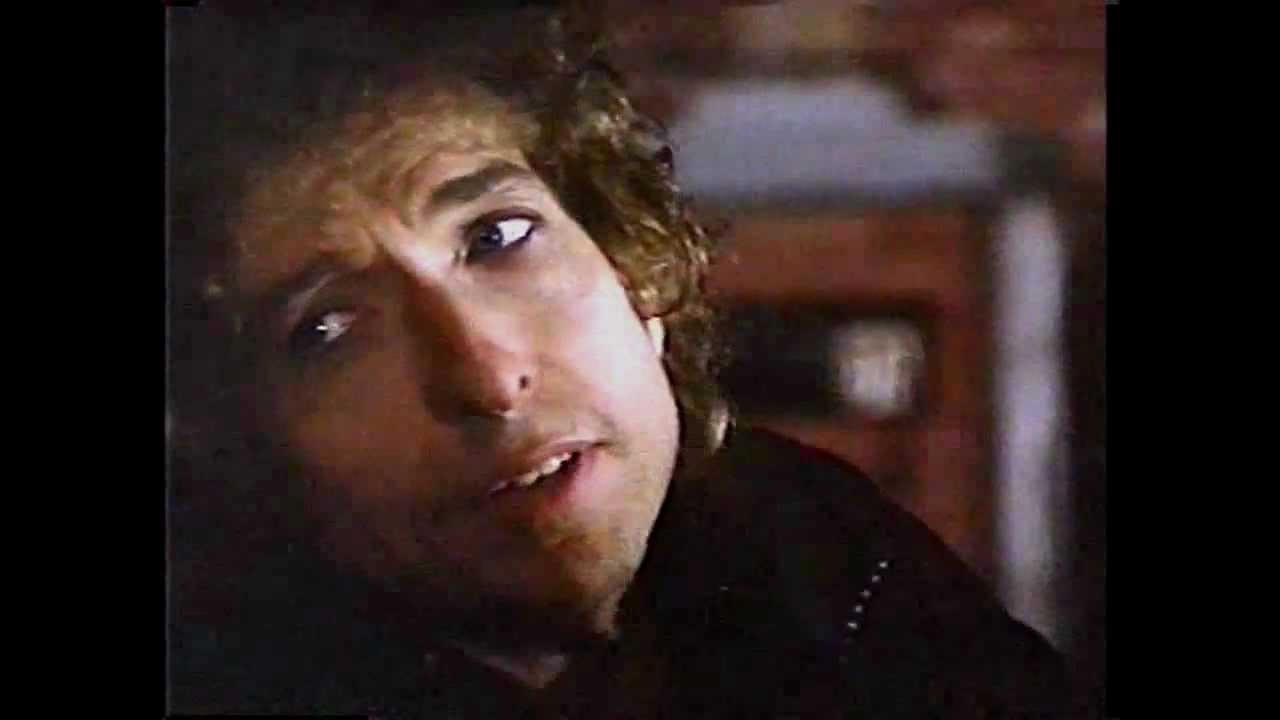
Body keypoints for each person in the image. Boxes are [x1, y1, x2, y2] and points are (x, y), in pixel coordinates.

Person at [166, 3, 1079, 717]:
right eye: (329, 328)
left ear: (634, 276)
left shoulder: (809, 542)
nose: (486, 379)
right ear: (241, 439)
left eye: (498, 238)